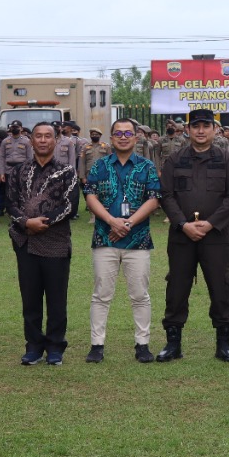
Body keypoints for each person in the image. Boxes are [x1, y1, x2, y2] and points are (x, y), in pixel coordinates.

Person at [157, 108, 229, 362]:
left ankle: (224, 344)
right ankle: (173, 344)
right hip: (181, 235)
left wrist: (210, 224)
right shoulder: (174, 160)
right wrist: (183, 224)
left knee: (221, 287)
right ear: (188, 130)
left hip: (215, 235)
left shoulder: (226, 159)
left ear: (215, 129)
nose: (201, 130)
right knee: (177, 287)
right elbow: (167, 195)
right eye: (196, 126)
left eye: (206, 126)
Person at [83, 118, 162, 364]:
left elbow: (154, 198)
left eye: (128, 133)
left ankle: (142, 344)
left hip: (137, 239)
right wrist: (112, 221)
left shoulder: (147, 166)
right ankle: (97, 345)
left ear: (136, 137)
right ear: (111, 137)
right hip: (105, 238)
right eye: (119, 133)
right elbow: (90, 196)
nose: (124, 137)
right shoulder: (99, 166)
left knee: (140, 294)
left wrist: (128, 223)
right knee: (101, 294)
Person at [6, 122, 80, 366]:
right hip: (25, 241)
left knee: (57, 299)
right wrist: (27, 223)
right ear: (31, 140)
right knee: (31, 299)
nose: (43, 140)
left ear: (56, 141)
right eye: (38, 136)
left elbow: (70, 206)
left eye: (48, 136)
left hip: (55, 242)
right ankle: (34, 347)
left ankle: (55, 347)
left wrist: (42, 223)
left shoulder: (67, 171)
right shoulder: (18, 171)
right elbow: (11, 203)